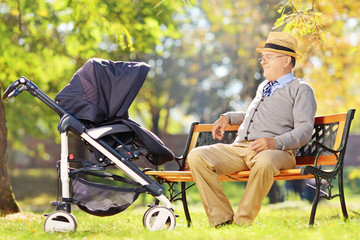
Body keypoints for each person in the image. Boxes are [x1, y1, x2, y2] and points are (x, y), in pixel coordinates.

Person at [187, 32, 317, 227]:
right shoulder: (264, 86)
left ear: (286, 60)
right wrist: (228, 117)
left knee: (265, 161)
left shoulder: (301, 89)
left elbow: (305, 131)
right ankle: (221, 219)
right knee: (197, 156)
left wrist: (274, 142)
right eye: (262, 57)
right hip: (241, 148)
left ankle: (242, 221)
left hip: (277, 151)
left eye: (268, 57)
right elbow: (252, 116)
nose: (263, 62)